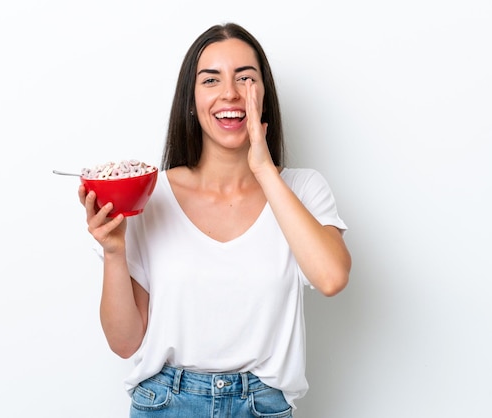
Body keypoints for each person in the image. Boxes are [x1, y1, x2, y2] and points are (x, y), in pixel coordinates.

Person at [78, 22, 351, 418]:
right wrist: (115, 251)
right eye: (211, 80)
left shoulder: (303, 189)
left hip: (263, 406)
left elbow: (331, 278)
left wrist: (263, 168)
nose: (230, 93)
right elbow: (125, 342)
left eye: (245, 78)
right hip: (164, 403)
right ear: (191, 99)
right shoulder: (150, 194)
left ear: (264, 95)